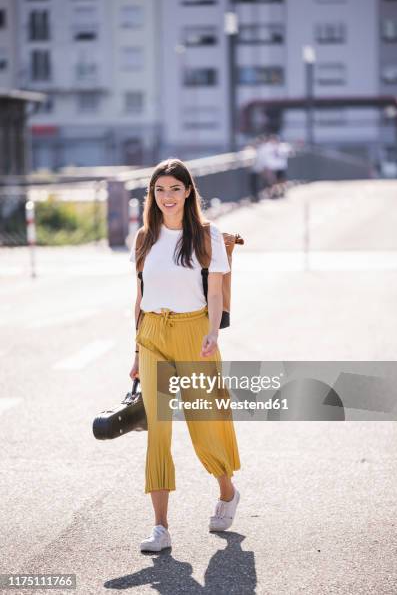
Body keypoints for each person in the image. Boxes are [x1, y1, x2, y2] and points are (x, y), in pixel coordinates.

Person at [128, 158, 241, 553]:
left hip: (195, 333)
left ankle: (227, 491)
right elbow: (140, 298)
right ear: (152, 195)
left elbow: (214, 291)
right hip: (153, 335)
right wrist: (134, 351)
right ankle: (160, 527)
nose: (167, 197)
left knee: (203, 426)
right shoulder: (144, 237)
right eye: (160, 190)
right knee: (158, 430)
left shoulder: (208, 236)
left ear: (189, 191)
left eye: (175, 189)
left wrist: (211, 332)